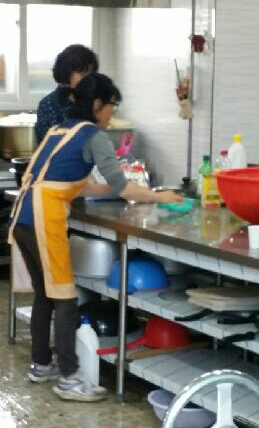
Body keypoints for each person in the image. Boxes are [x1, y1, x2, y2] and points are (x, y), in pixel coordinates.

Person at [11, 73, 183, 401]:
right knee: (64, 299)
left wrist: (114, 189)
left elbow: (76, 184)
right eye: (111, 107)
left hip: (22, 216)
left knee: (45, 294)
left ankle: (42, 364)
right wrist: (159, 196)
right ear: (97, 104)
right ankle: (69, 378)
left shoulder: (59, 130)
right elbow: (124, 187)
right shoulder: (94, 136)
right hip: (44, 219)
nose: (111, 115)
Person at [34, 44, 99, 144]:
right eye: (82, 74)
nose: (88, 79)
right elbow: (45, 143)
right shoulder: (47, 104)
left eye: (90, 75)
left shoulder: (93, 100)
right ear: (66, 72)